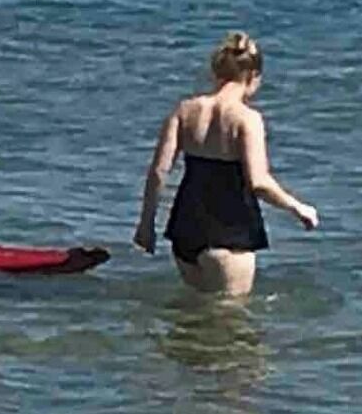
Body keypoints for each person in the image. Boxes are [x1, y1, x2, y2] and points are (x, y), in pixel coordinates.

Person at [135, 33, 318, 297]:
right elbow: (259, 182)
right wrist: (298, 208)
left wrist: (146, 225)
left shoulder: (184, 111)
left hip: (185, 230)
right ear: (253, 76)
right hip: (229, 232)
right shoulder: (246, 119)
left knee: (195, 319)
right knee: (232, 326)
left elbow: (158, 172)